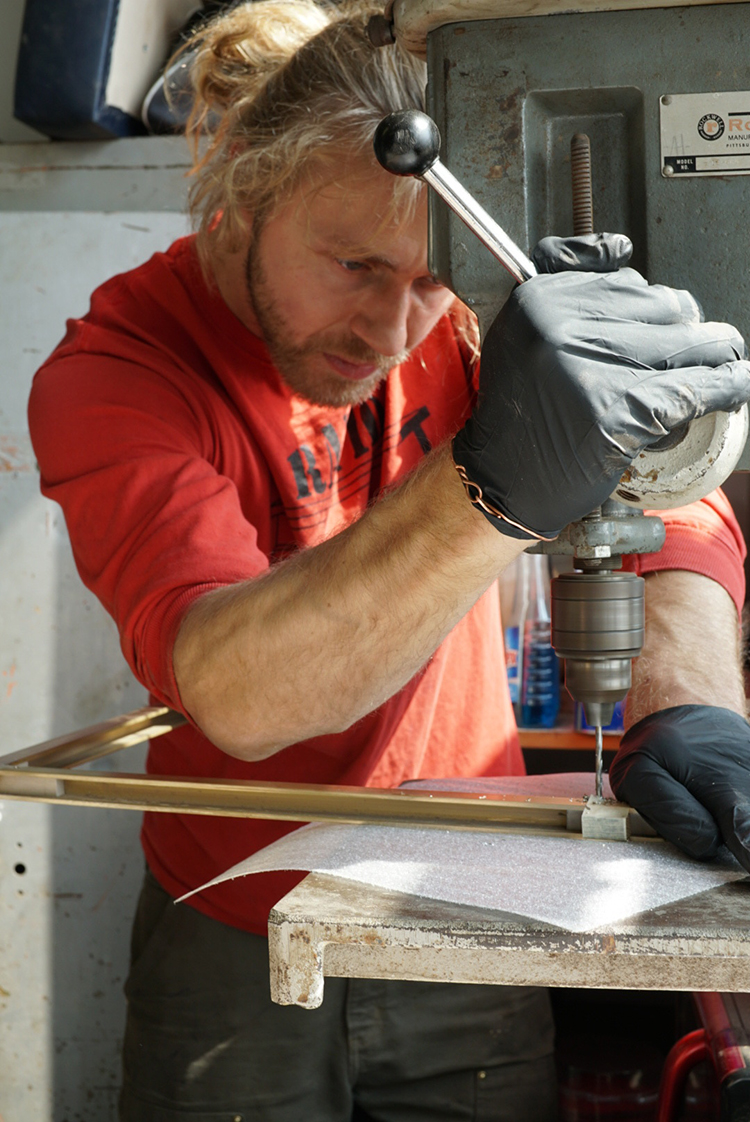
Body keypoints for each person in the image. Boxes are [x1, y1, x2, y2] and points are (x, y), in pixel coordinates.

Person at [27, 2, 750, 1118]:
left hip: (465, 884)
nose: (393, 326)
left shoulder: (464, 310)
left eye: (427, 280)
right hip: (234, 911)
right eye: (355, 263)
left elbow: (668, 485)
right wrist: (488, 486)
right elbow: (245, 694)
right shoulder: (119, 371)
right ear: (236, 198)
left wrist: (687, 697)